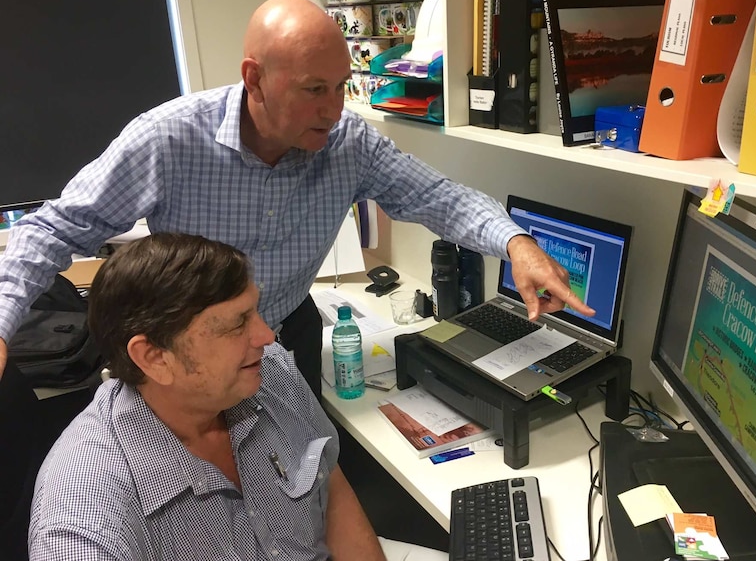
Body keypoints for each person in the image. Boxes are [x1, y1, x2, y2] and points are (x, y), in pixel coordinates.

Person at [0, 0, 594, 396]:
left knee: (300, 485)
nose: (334, 111)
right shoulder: (170, 138)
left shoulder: (349, 141)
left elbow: (438, 197)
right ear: (254, 77)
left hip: (286, 329)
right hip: (193, 351)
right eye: (314, 89)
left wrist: (516, 241)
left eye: (341, 87)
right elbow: (52, 229)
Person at [29, 232, 447, 561]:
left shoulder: (268, 371)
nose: (266, 336)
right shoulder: (84, 519)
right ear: (155, 357)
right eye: (236, 324)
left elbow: (329, 487)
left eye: (256, 311)